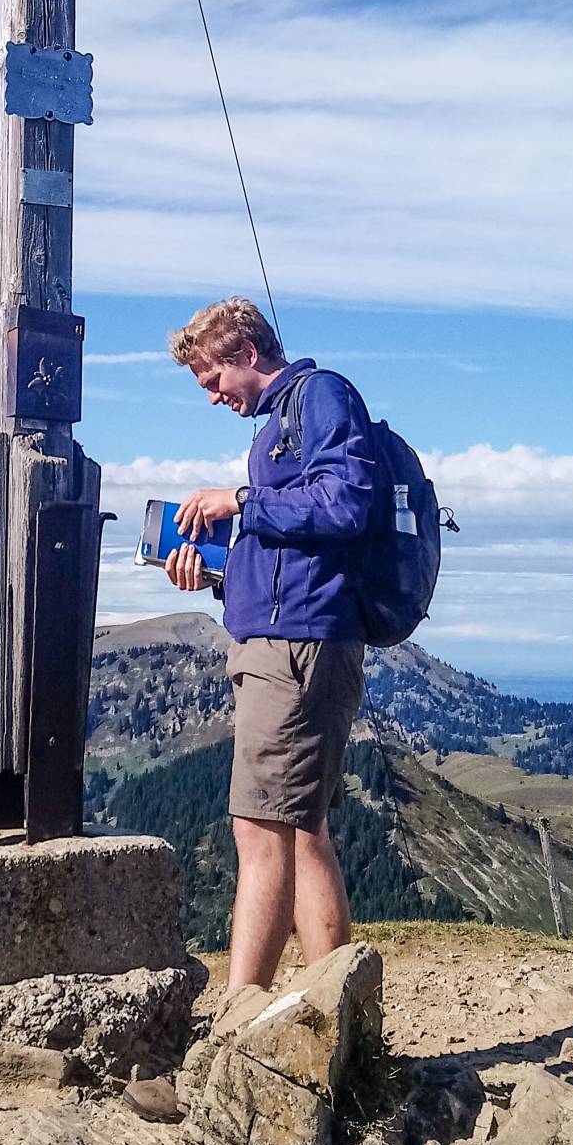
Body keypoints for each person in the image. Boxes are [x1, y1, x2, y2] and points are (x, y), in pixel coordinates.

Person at [164, 296, 379, 995]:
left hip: (298, 646)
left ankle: (234, 1019)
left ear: (246, 355)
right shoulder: (283, 423)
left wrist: (241, 501)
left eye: (211, 380)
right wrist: (219, 576)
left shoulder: (321, 397)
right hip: (289, 637)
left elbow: (349, 503)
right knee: (303, 828)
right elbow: (293, 553)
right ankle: (334, 1008)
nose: (212, 396)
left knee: (259, 832)